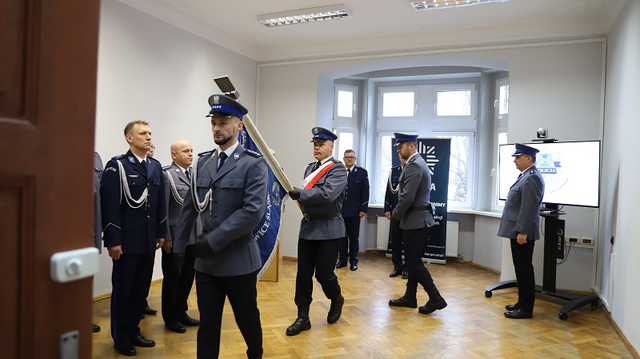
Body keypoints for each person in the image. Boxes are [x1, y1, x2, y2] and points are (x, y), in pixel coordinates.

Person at [175, 94, 267, 359]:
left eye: (223, 122)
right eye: (213, 122)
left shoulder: (253, 163)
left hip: (238, 262)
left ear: (239, 125)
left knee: (247, 320)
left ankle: (255, 354)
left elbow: (252, 212)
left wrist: (212, 241)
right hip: (206, 266)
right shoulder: (203, 162)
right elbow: (190, 206)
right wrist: (179, 248)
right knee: (208, 326)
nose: (217, 128)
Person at [100, 121, 167, 356]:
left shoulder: (155, 166)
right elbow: (110, 206)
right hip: (126, 241)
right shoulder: (116, 166)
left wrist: (161, 233)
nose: (148, 137)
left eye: (150, 133)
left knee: (140, 291)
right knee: (124, 291)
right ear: (129, 138)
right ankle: (121, 338)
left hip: (148, 241)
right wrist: (113, 240)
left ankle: (134, 330)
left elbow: (160, 205)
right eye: (142, 133)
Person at [286, 127, 347, 336]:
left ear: (331, 146)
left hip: (329, 229)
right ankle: (303, 316)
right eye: (315, 144)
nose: (317, 147)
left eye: (321, 144)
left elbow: (327, 195)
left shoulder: (338, 169)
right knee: (303, 275)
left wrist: (301, 193)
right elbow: (308, 196)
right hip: (309, 228)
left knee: (323, 274)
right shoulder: (310, 168)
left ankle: (336, 298)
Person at [388, 133, 447, 315]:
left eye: (401, 146)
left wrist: (396, 215)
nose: (398, 149)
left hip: (416, 221)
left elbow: (406, 198)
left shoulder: (414, 165)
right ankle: (410, 297)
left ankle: (436, 298)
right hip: (416, 220)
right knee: (413, 261)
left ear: (412, 146)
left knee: (414, 263)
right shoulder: (415, 163)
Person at [497, 143, 545, 319]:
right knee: (521, 269)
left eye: (518, 157)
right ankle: (521, 303)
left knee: (524, 269)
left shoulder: (532, 178)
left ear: (529, 158)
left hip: (521, 232)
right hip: (517, 230)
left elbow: (529, 208)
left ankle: (526, 308)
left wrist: (523, 231)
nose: (515, 161)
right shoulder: (526, 176)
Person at [161, 140, 200, 333]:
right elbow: (164, 209)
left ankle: (181, 311)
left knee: (187, 277)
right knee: (172, 279)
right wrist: (166, 237)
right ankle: (170, 318)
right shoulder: (167, 175)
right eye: (186, 151)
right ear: (174, 155)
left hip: (194, 236)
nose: (191, 154)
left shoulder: (194, 174)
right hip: (175, 237)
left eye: (192, 151)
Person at [338, 149, 369, 271]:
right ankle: (342, 260)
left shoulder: (361, 172)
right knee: (341, 237)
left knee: (354, 238)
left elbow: (365, 192)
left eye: (351, 157)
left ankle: (354, 261)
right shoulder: (339, 172)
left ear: (355, 159)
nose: (349, 159)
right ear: (344, 159)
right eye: (347, 157)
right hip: (340, 211)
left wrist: (363, 209)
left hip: (355, 212)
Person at [385, 153, 407, 279]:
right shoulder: (393, 171)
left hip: (408, 214)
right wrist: (387, 209)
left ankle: (407, 269)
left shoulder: (413, 171)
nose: (402, 158)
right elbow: (388, 191)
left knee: (408, 243)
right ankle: (397, 267)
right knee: (396, 242)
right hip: (394, 213)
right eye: (400, 156)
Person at [93, 152, 104, 333]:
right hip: (71, 226)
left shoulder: (95, 157)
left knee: (89, 274)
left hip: (93, 224)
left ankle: (81, 316)